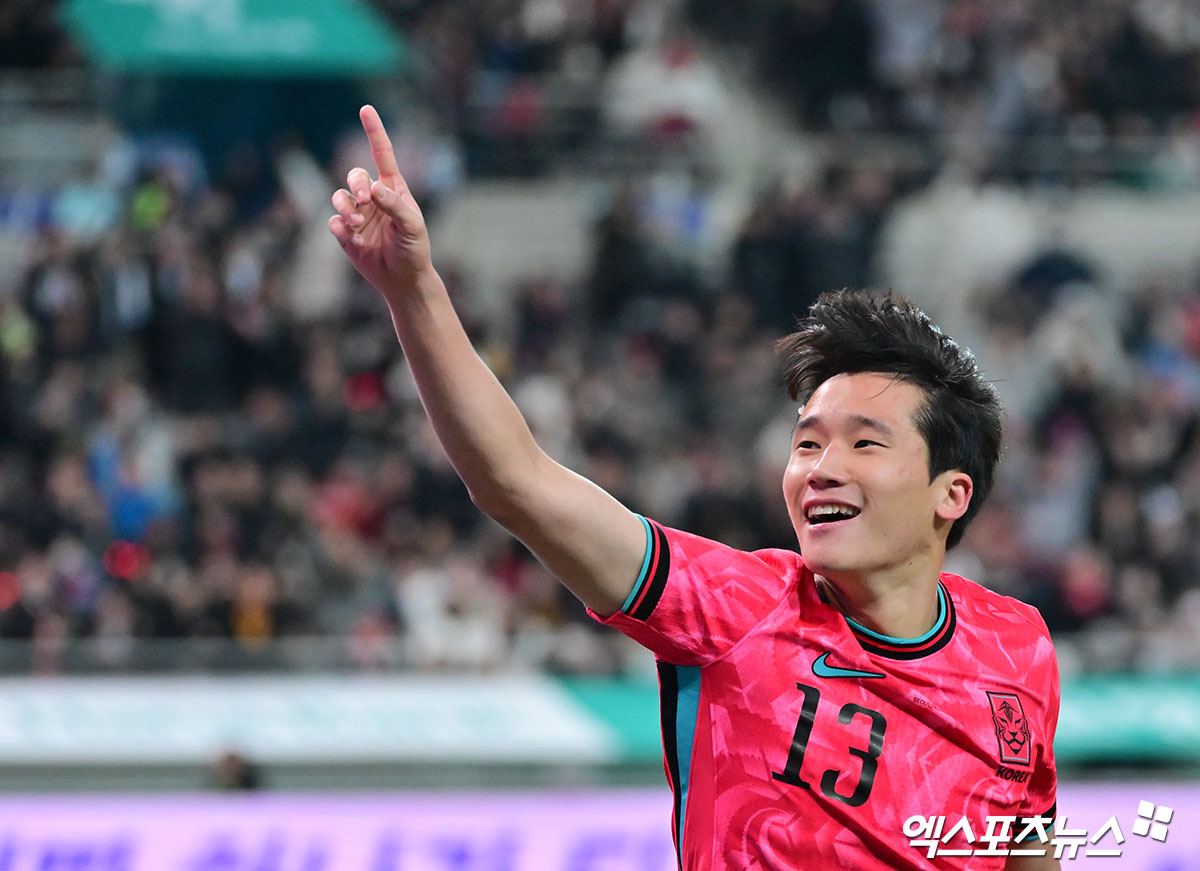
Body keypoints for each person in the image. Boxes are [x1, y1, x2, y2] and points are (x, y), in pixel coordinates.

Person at [329, 105, 1060, 871]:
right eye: (806, 441)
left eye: (864, 442)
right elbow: (519, 482)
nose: (821, 467)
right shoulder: (737, 609)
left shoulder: (1018, 647)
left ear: (952, 493)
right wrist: (413, 290)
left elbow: (1026, 845)